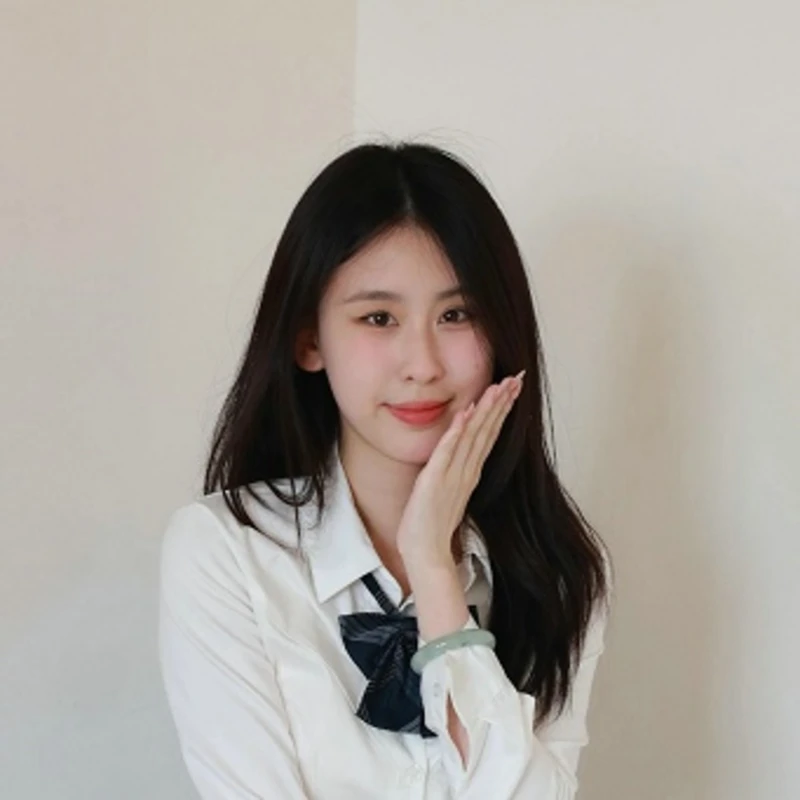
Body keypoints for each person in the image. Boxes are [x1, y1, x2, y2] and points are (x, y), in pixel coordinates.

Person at [158, 140, 614, 799]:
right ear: (309, 340)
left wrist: (432, 569)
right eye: (379, 317)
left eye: (456, 315)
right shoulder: (229, 552)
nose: (422, 364)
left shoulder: (559, 572)